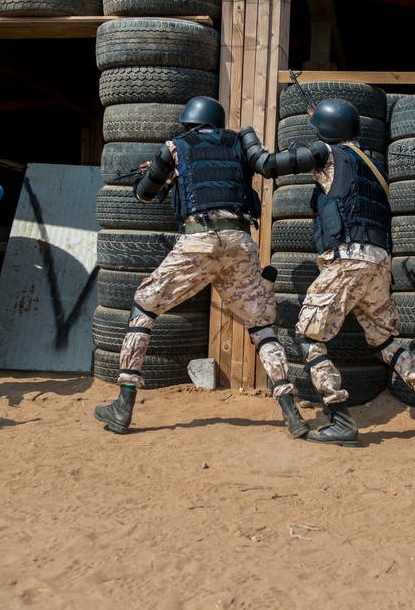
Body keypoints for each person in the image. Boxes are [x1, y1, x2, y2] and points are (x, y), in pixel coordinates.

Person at [239, 98, 415, 446]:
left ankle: (339, 417)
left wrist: (247, 134)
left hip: (347, 261)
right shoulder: (371, 164)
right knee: (386, 342)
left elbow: (266, 165)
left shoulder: (326, 154)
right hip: (377, 263)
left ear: (326, 132)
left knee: (308, 337)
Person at [93, 96, 309, 438]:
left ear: (189, 123)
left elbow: (144, 195)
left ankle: (124, 404)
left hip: (199, 240)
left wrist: (163, 174)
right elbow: (263, 164)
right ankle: (291, 414)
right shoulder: (238, 141)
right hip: (239, 242)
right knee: (261, 326)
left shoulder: (175, 146)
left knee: (143, 308)